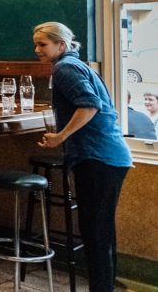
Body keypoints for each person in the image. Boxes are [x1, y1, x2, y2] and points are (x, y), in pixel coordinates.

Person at [34, 21, 132, 292]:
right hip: (109, 156)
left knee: (95, 233)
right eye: (36, 44)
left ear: (61, 45)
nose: (37, 50)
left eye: (43, 44)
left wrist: (60, 136)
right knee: (101, 231)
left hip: (97, 157)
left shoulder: (64, 68)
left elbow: (89, 106)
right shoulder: (78, 65)